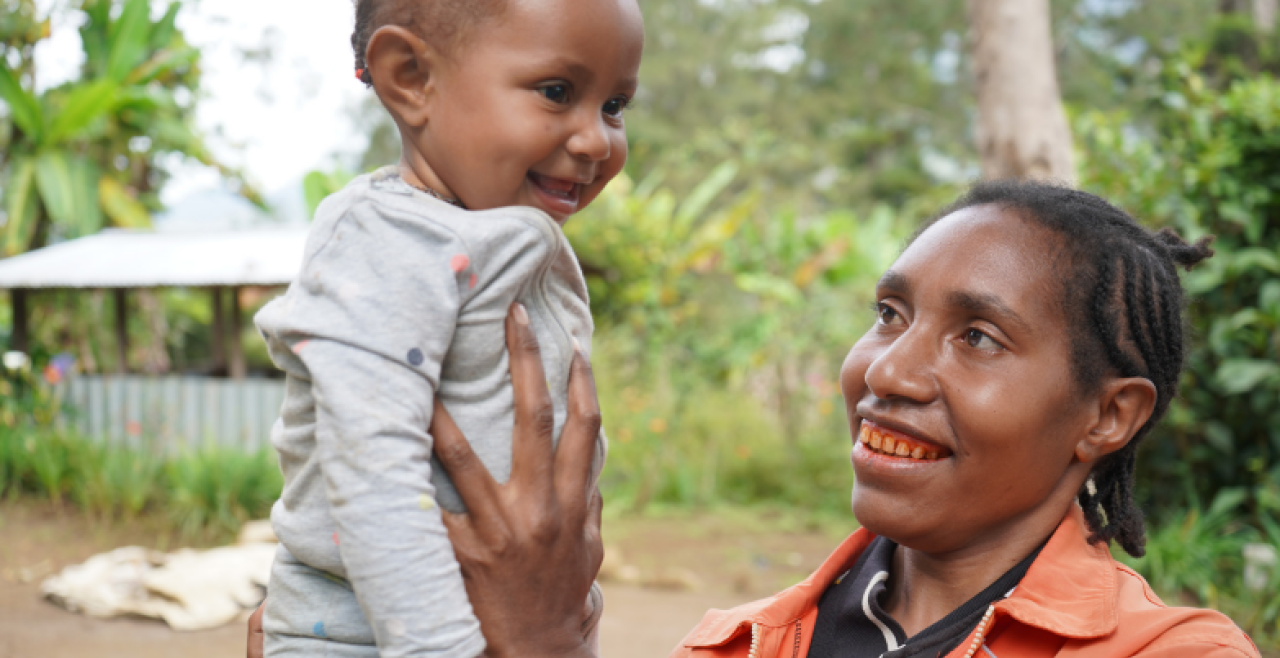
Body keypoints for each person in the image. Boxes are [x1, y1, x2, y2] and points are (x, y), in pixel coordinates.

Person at [250, 181, 1263, 658]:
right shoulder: (735, 645)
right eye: (887, 314)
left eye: (977, 338)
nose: (886, 369)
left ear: (1105, 415)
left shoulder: (1170, 654)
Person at [250, 0, 643, 655]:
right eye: (557, 92)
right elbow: (374, 474)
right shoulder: (387, 242)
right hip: (378, 637)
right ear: (410, 78)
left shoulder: (493, 236)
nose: (598, 139)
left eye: (615, 105)